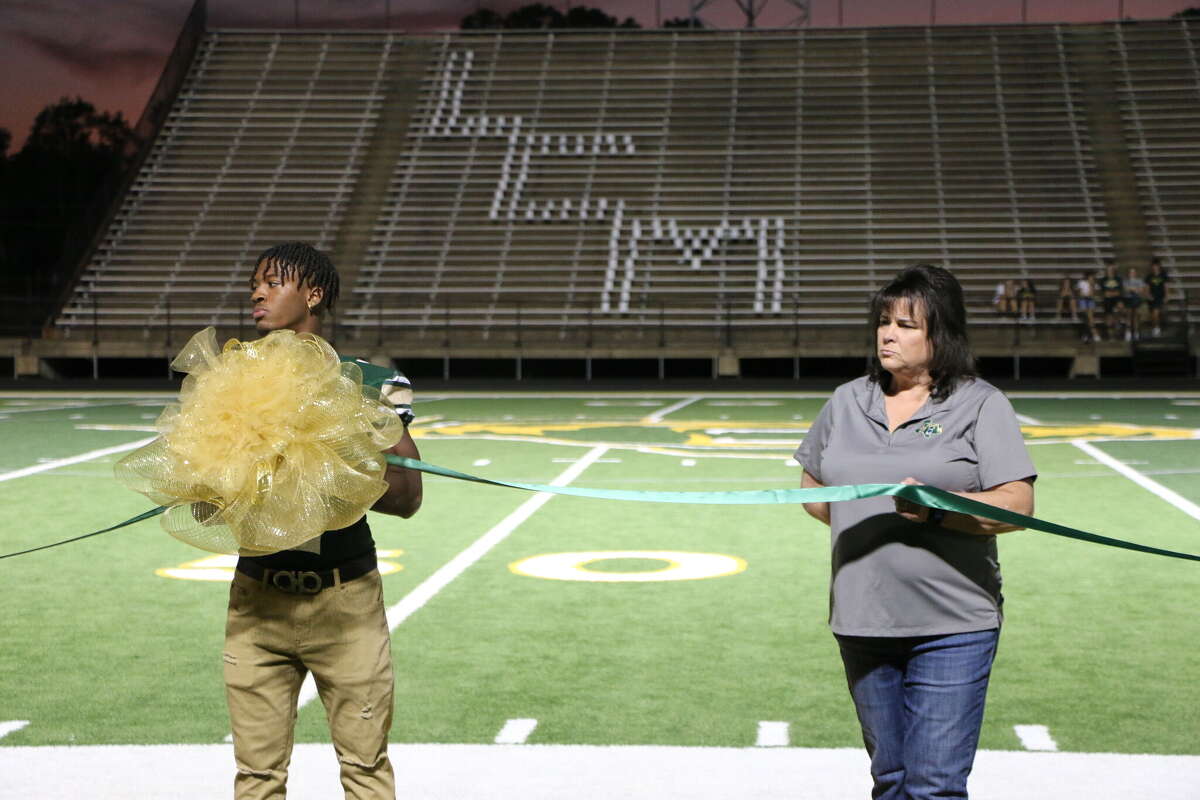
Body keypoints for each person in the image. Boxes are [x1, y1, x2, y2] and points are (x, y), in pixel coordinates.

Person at [795, 263, 1036, 800]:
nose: (887, 333)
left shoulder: (980, 403)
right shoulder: (846, 400)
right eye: (884, 321)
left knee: (933, 788)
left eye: (906, 324)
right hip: (861, 619)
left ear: (941, 333)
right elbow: (813, 488)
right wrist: (868, 524)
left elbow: (1016, 506)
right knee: (891, 780)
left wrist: (935, 512)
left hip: (952, 623)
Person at [228, 242, 422, 799]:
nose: (257, 293)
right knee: (256, 779)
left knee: (365, 770)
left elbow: (408, 496)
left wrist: (330, 472)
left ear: (312, 294)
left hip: (346, 601)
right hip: (256, 600)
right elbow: (201, 507)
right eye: (254, 284)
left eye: (272, 282)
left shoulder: (373, 382)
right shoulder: (231, 381)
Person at [1099, 261, 1124, 341]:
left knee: (1121, 305)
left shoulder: (1118, 279)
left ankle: (1117, 322)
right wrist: (1113, 293)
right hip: (1107, 301)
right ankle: (1110, 336)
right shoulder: (1103, 280)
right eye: (1108, 269)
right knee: (1109, 319)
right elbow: (1105, 294)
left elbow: (1119, 292)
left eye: (1111, 268)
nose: (1110, 270)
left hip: (1117, 299)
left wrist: (1111, 293)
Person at [1146, 257, 1169, 337]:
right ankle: (1155, 327)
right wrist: (1148, 295)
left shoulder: (1163, 275)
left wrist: (1166, 296)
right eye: (1154, 266)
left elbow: (1166, 286)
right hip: (1152, 298)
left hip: (1160, 297)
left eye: (1156, 265)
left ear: (1159, 266)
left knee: (1156, 313)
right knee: (1153, 314)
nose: (1155, 267)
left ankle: (1156, 328)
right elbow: (1147, 287)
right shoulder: (1149, 276)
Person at [1123, 266, 1147, 342]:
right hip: (1128, 299)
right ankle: (1128, 332)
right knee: (1128, 315)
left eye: (1133, 272)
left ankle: (1136, 332)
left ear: (1135, 273)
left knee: (1136, 316)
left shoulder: (1139, 281)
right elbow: (1125, 290)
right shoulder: (1125, 281)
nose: (1132, 274)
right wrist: (1135, 289)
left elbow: (1141, 290)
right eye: (1130, 272)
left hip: (1136, 299)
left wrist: (1133, 289)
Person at [1075, 271, 1099, 342]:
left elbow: (1092, 295)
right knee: (1089, 317)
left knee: (1089, 317)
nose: (1092, 278)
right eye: (1091, 277)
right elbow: (1081, 294)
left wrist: (1091, 286)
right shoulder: (1081, 283)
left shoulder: (1094, 284)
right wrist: (1088, 295)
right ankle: (1094, 333)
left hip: (1090, 301)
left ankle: (1086, 335)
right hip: (1083, 301)